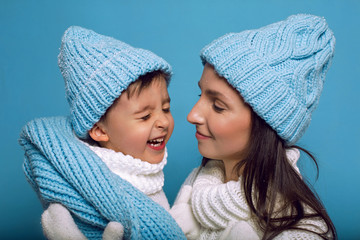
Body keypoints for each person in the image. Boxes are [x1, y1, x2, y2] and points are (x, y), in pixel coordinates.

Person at [170, 14, 337, 239]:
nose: (192, 115)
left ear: (267, 124)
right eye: (200, 94)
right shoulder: (195, 186)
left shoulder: (301, 231)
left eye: (218, 106)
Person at [19, 26, 185, 240]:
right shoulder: (87, 189)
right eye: (145, 116)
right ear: (98, 130)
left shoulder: (142, 170)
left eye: (166, 109)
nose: (163, 121)